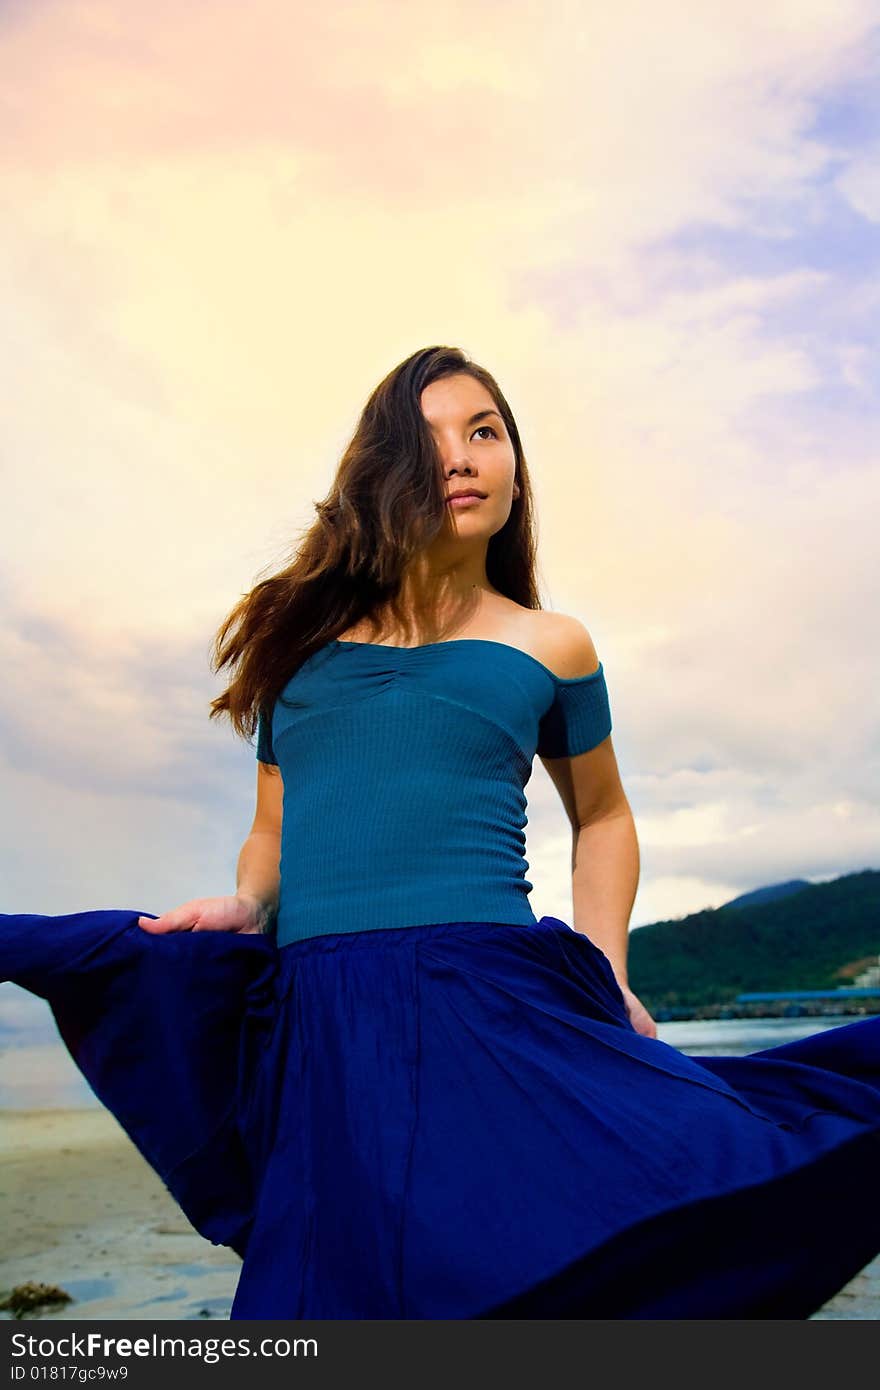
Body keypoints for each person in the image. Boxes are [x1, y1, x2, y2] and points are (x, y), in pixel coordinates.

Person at [3, 345, 879, 1320]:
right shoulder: (296, 641)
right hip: (322, 1016)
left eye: (483, 431)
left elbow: (602, 814)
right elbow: (271, 828)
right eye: (428, 441)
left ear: (514, 467)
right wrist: (247, 899)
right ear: (383, 474)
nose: (460, 457)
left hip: (489, 999)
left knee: (569, 1237)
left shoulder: (549, 642)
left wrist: (608, 968)